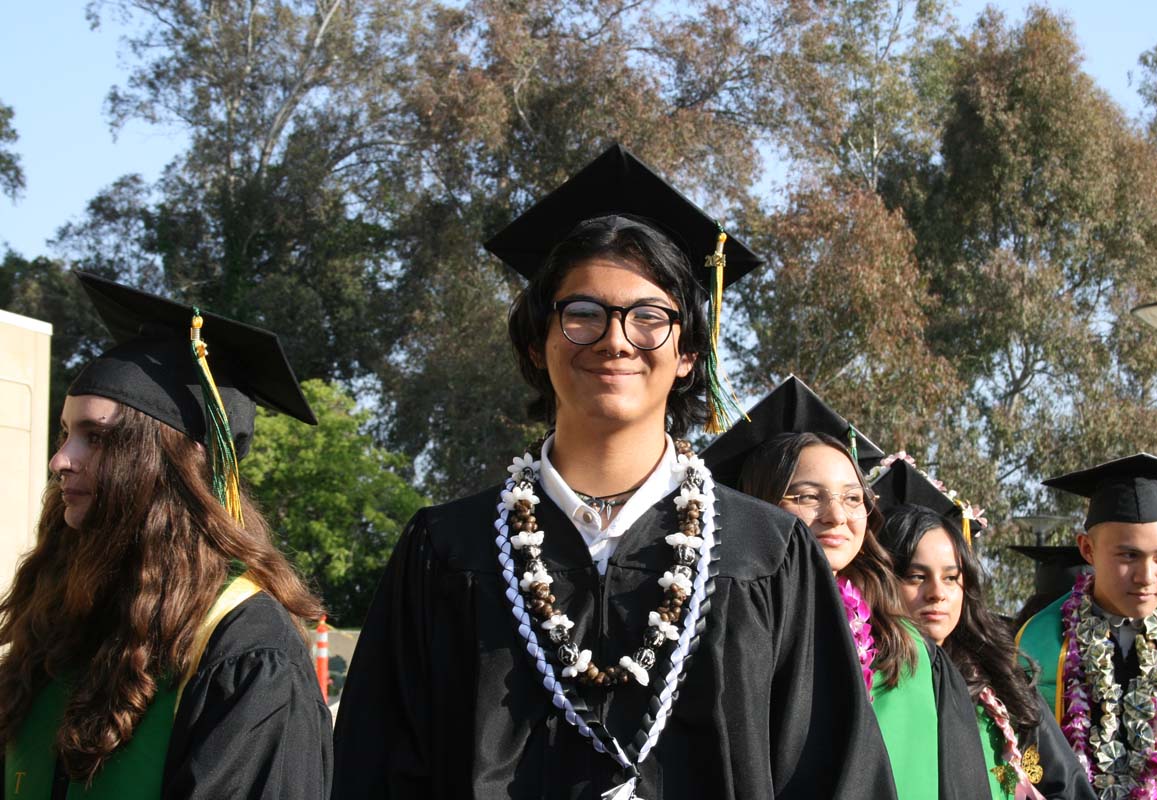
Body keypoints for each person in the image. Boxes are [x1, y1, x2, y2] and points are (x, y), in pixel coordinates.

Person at [332, 145, 897, 799]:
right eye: (582, 315)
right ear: (535, 342)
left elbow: (835, 779)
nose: (616, 339)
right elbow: (375, 775)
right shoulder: (447, 552)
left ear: (688, 353)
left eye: (649, 318)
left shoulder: (767, 555)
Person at [0, 273, 332, 799]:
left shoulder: (244, 647)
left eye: (97, 437)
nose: (59, 460)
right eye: (65, 433)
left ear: (177, 464)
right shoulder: (64, 613)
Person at [702, 375, 991, 800]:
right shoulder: (716, 626)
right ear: (757, 505)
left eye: (853, 498)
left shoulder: (909, 647)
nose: (837, 516)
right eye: (806, 496)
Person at [873, 464, 1094, 799]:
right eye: (916, 576)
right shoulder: (865, 681)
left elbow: (1065, 786)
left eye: (951, 577)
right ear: (882, 582)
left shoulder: (999, 683)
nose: (937, 593)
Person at [1016, 453, 1157, 800]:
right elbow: (1018, 755)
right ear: (1087, 549)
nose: (1147, 577)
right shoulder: (1038, 639)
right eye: (1128, 556)